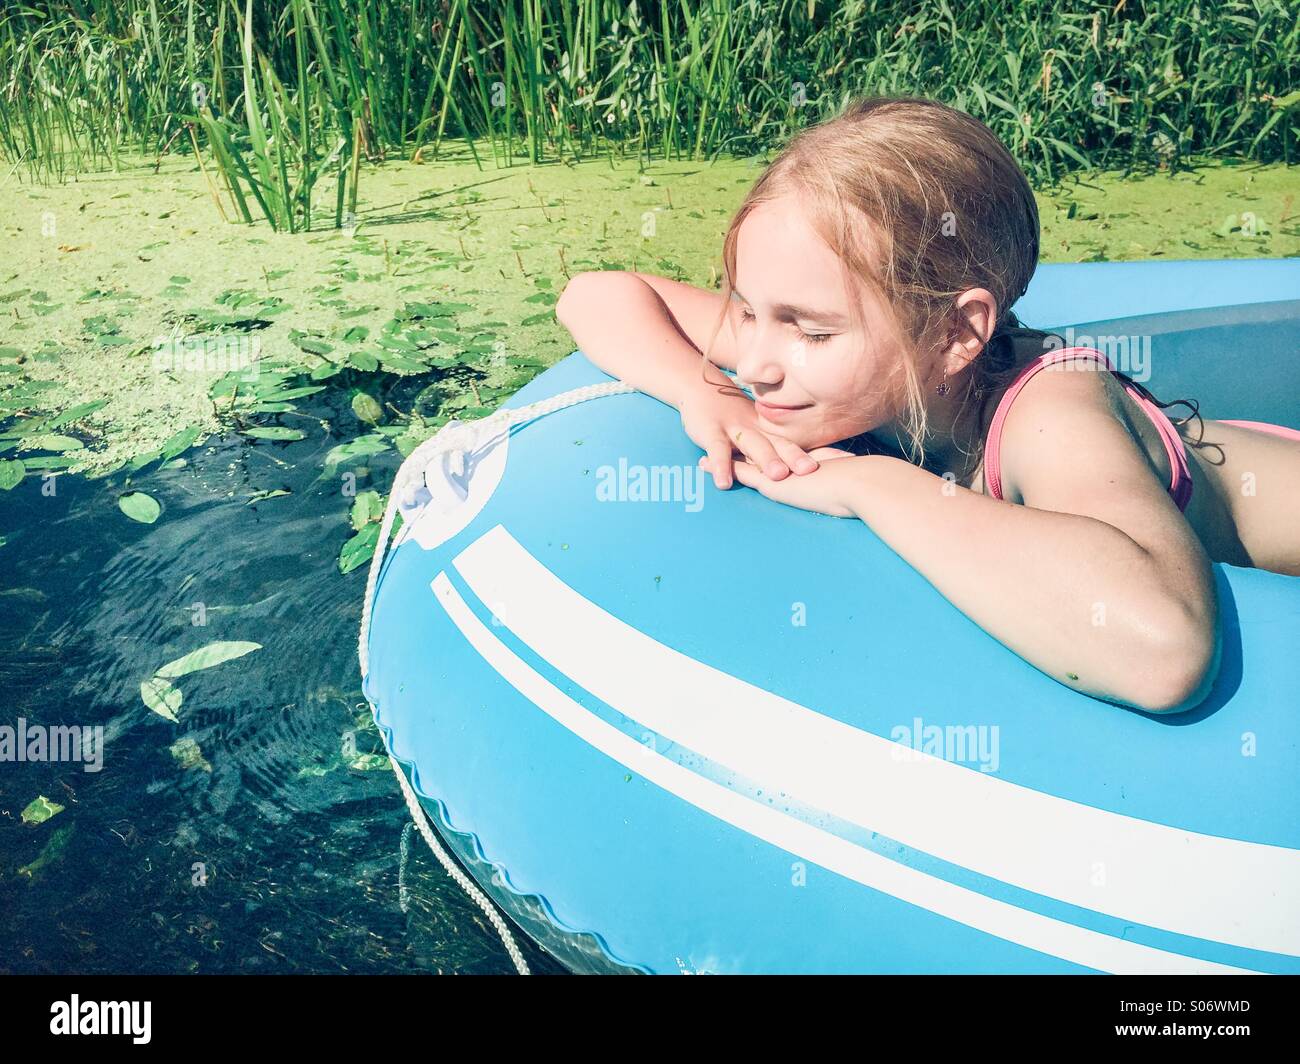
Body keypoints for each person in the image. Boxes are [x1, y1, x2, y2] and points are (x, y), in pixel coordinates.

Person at [555, 95, 1300, 715]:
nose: (753, 363)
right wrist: (705, 393)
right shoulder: (803, 359)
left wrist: (873, 484)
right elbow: (596, 295)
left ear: (955, 333)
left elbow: (1164, 650)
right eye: (748, 311)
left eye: (811, 330)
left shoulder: (1051, 416)